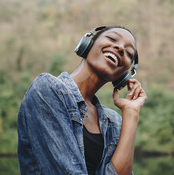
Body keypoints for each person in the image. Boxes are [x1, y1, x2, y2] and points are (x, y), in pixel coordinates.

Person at [17, 25, 147, 175]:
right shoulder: (46, 90)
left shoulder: (114, 123)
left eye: (129, 53)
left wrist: (131, 113)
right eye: (112, 39)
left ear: (124, 75)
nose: (120, 48)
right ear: (87, 44)